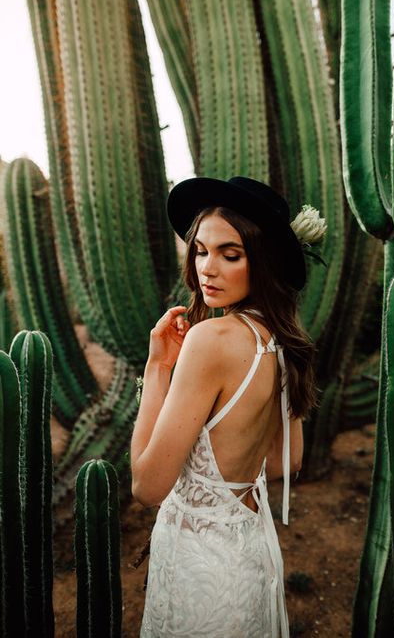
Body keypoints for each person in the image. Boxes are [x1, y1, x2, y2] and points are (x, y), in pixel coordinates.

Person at [131, 176, 326, 638]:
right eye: (200, 250)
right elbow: (287, 461)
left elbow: (147, 485)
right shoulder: (281, 342)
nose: (207, 268)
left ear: (264, 262)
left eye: (230, 255)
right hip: (249, 556)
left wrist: (158, 368)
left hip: (199, 569)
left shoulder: (210, 340)